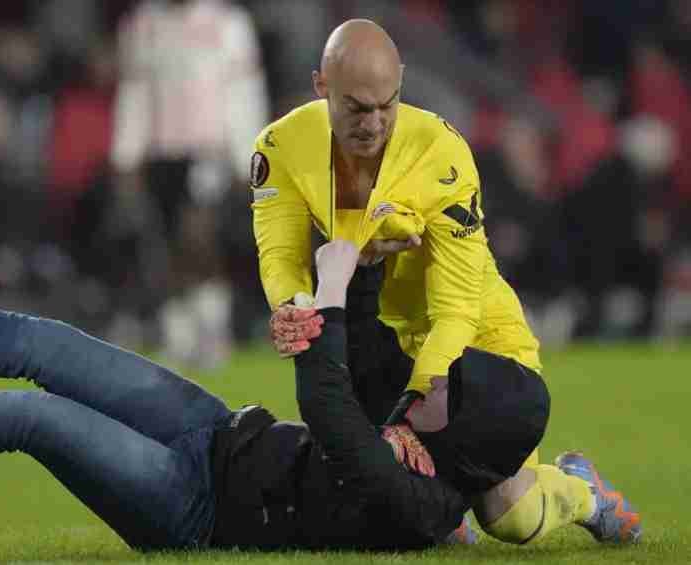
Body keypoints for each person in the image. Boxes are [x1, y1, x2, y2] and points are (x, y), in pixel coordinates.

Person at [0, 252, 471, 551]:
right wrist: (378, 253)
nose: (444, 377)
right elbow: (373, 355)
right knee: (43, 341)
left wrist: (336, 286)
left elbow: (327, 404)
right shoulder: (423, 421)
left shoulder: (429, 506)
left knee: (29, 417)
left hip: (196, 509)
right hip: (217, 427)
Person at [252, 20, 641, 544]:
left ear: (402, 84)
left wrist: (407, 414)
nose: (373, 122)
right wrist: (293, 306)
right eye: (356, 108)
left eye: (386, 105)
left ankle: (582, 489)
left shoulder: (441, 154)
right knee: (422, 518)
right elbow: (280, 254)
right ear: (322, 86)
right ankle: (448, 503)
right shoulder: (281, 147)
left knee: (512, 518)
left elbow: (457, 308)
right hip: (384, 344)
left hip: (473, 346)